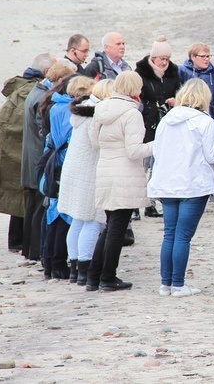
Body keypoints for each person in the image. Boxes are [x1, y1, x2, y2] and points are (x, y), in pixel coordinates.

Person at [0, 53, 54, 253]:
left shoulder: (25, 87)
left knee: (21, 194)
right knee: (22, 194)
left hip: (14, 145)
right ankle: (20, 242)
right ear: (46, 72)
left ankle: (19, 241)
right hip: (15, 147)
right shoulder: (31, 90)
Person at [148, 79, 214, 297]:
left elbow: (157, 152)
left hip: (167, 183)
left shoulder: (166, 120)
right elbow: (212, 155)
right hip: (193, 184)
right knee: (182, 236)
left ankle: (166, 283)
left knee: (170, 234)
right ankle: (178, 284)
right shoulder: (206, 123)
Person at [86, 71, 154, 292]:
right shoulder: (132, 114)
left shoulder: (101, 109)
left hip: (105, 170)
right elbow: (134, 151)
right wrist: (157, 144)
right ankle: (107, 276)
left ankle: (94, 277)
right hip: (124, 173)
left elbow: (94, 143)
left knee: (109, 227)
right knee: (117, 229)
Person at [58, 79, 113, 286]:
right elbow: (98, 144)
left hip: (73, 169)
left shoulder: (82, 112)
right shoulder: (96, 117)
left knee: (78, 220)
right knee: (91, 219)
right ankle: (85, 268)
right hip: (88, 171)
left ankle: (74, 268)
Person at [41, 76, 94, 280]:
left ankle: (52, 264)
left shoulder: (55, 106)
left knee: (56, 212)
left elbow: (50, 136)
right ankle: (58, 263)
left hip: (54, 159)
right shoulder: (68, 110)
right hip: (65, 162)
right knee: (64, 215)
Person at [21, 62, 74, 261]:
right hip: (41, 156)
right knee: (40, 207)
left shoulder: (38, 93)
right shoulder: (47, 99)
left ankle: (31, 250)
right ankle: (37, 251)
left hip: (36, 154)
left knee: (35, 206)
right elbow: (44, 131)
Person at [135, 36, 180, 218]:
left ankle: (151, 204)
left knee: (158, 165)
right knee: (142, 166)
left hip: (166, 121)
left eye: (167, 59)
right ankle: (135, 205)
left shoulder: (173, 72)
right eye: (162, 59)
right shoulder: (140, 72)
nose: (164, 62)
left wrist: (174, 100)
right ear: (153, 58)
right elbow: (138, 95)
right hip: (146, 122)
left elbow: (178, 90)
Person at [178, 42, 214, 124]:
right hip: (187, 121)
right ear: (192, 57)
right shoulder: (181, 72)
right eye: (203, 56)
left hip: (210, 120)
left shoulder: (213, 75)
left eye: (208, 56)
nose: (206, 59)